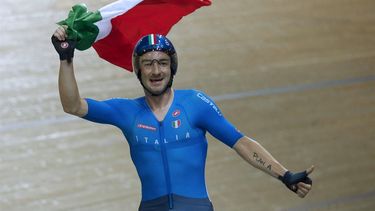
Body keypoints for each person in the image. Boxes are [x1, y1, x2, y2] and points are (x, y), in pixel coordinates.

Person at [52, 26, 314, 211]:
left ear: (172, 67)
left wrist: (284, 174)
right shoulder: (127, 112)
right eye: (148, 63)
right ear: (138, 70)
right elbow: (73, 105)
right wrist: (66, 59)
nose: (156, 71)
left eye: (163, 63)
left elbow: (241, 142)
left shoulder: (195, 104)